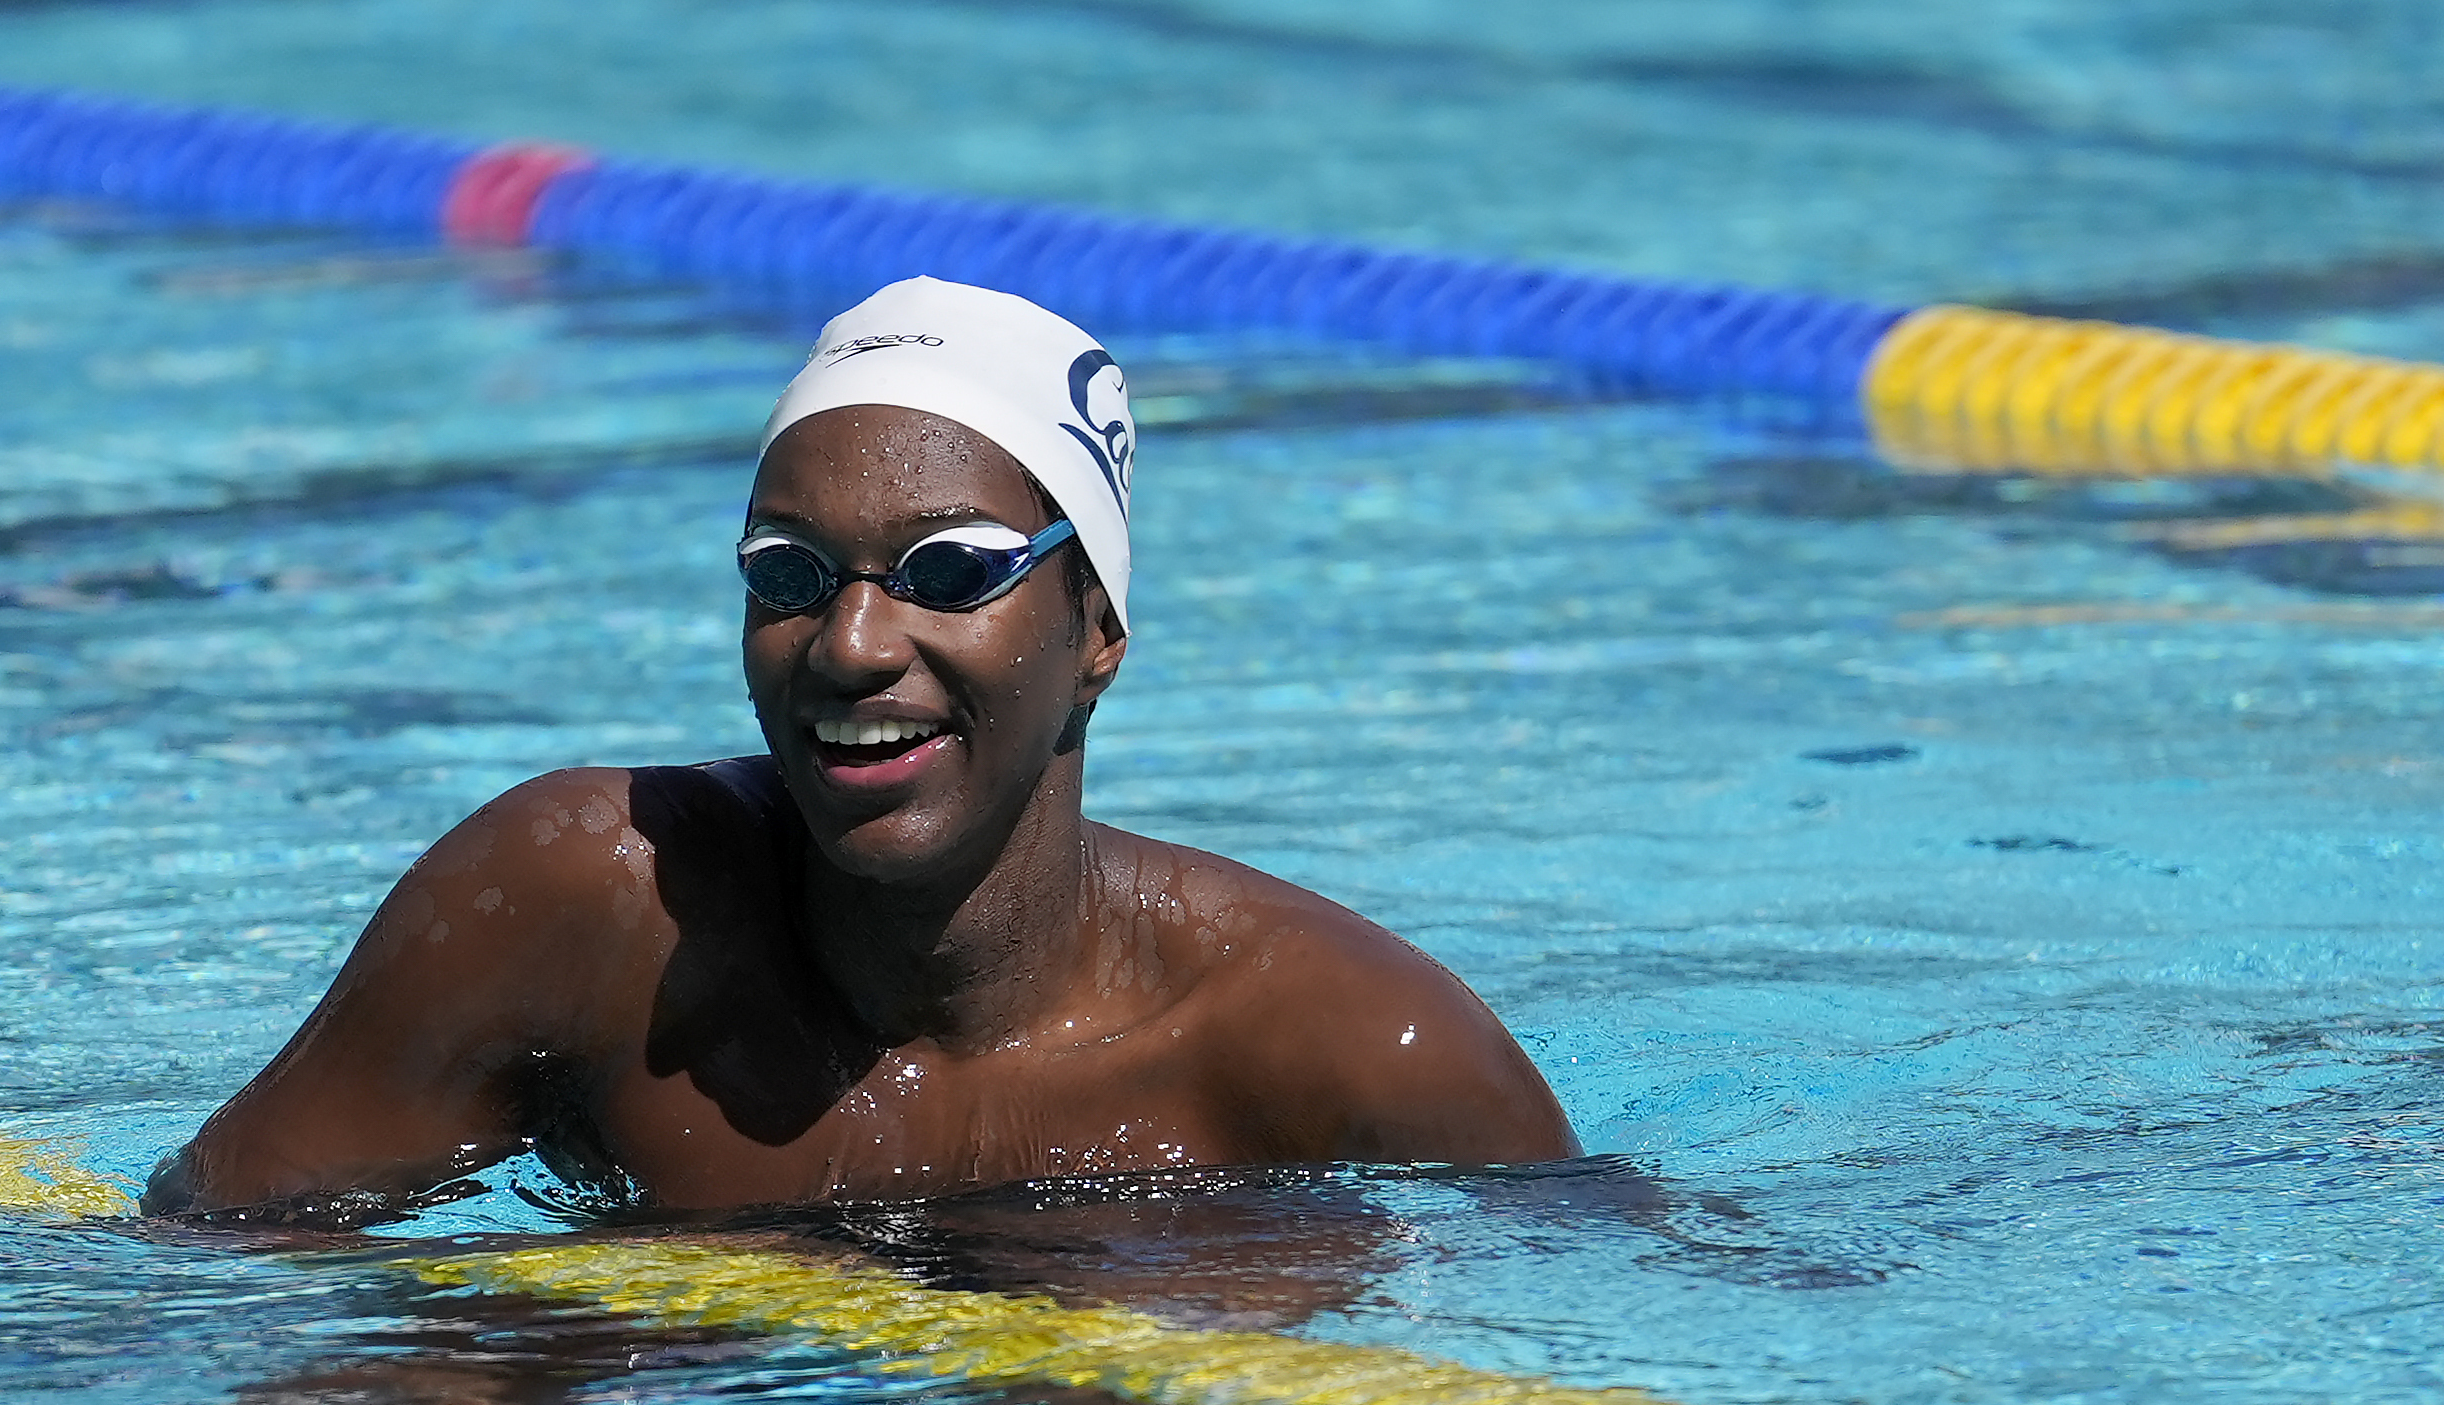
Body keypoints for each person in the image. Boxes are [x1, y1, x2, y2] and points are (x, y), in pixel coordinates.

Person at [146, 278, 1573, 1224]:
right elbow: (210, 1288)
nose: (850, 643)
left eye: (950, 570)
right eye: (788, 570)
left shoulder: (1342, 1051)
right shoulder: (585, 904)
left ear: (1097, 632)